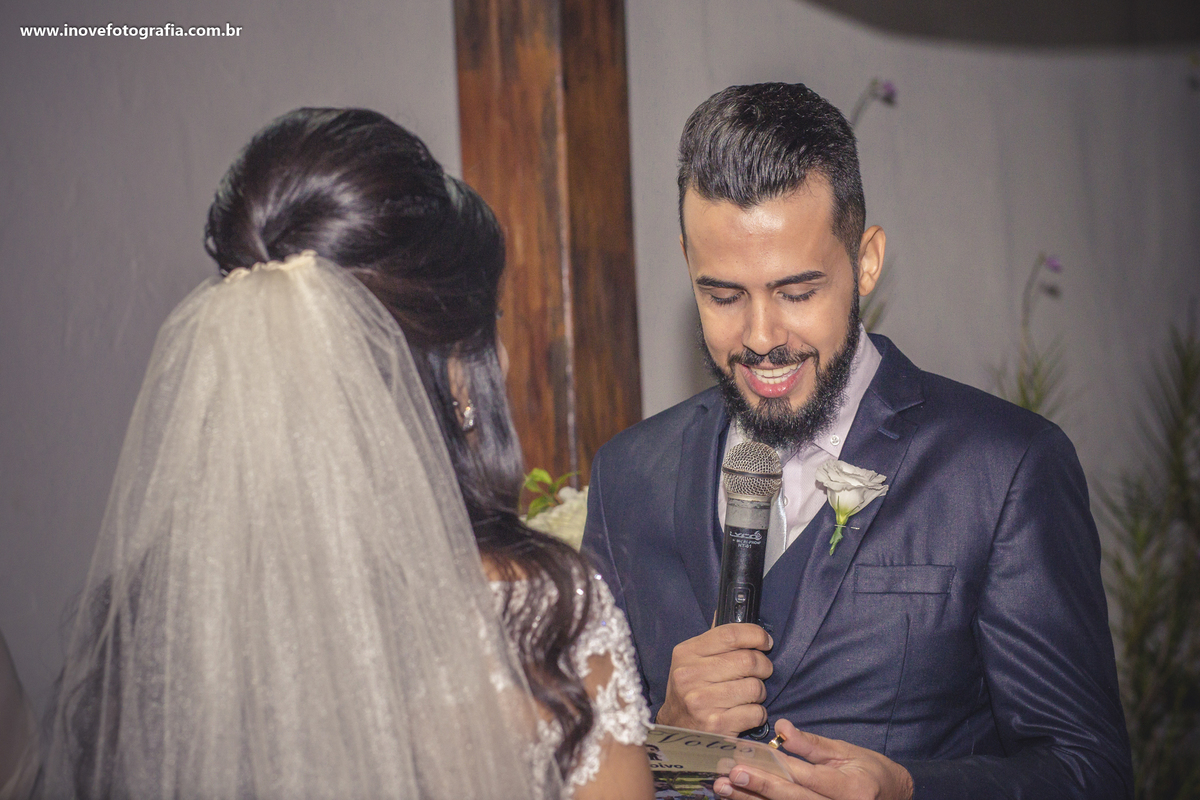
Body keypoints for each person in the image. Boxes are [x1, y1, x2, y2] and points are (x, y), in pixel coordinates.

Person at [43, 108, 653, 800]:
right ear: (457, 375)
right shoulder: (536, 615)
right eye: (494, 324)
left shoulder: (150, 625)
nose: (504, 359)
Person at [581, 83, 1133, 799]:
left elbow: (1089, 772)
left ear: (866, 261)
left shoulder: (1004, 468)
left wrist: (906, 790)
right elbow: (580, 769)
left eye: (797, 292)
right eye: (723, 295)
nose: (760, 337)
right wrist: (671, 740)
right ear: (688, 262)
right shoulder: (627, 475)